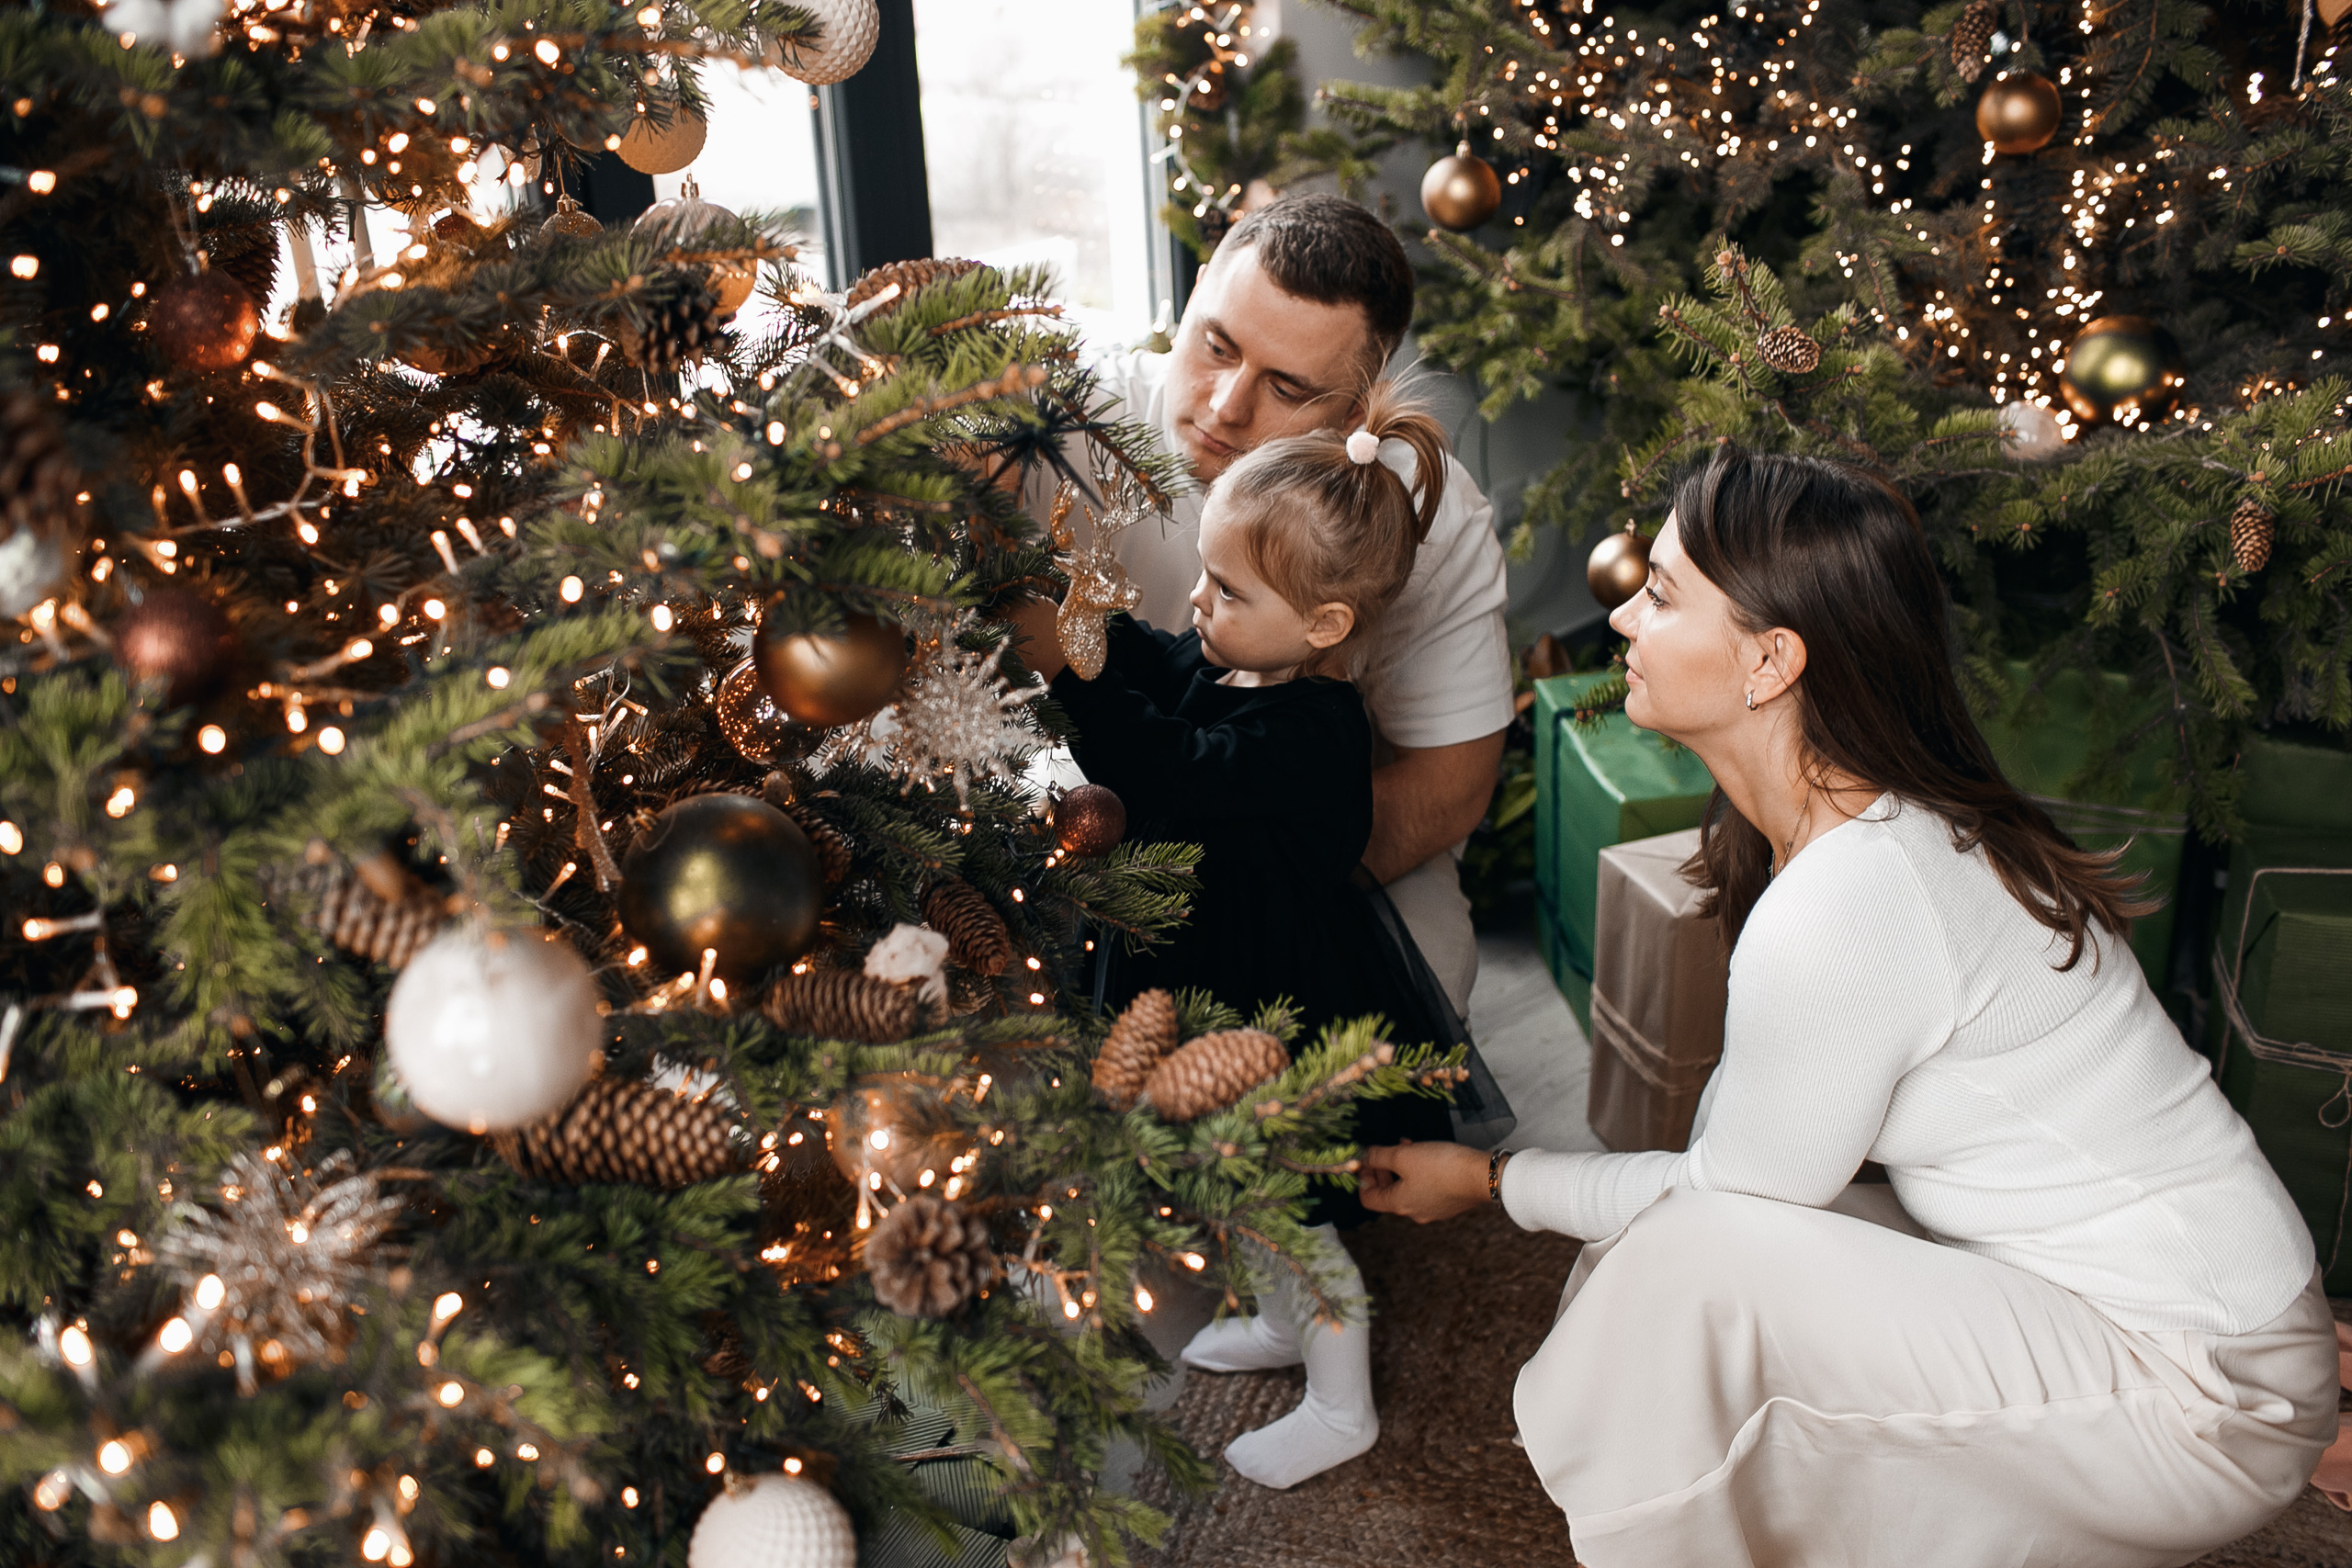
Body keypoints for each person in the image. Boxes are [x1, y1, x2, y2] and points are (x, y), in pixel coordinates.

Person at [1354, 445, 2339, 1567]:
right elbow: (1747, 1167)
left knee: (1687, 1263)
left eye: (1660, 595)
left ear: (1769, 661)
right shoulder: (1873, 836)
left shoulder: (1853, 897)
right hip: (2162, 1320)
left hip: (2210, 1396)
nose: (1620, 618)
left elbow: (1721, 1206)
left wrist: (1492, 1179)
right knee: (1661, 1252)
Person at [1010, 385, 1457, 1493]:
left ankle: (1342, 1405)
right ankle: (1277, 1321)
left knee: (1287, 1206)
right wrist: (1083, 625)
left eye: (1227, 590)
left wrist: (1068, 674)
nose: (1198, 604)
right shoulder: (1237, 654)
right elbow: (1156, 662)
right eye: (1206, 576)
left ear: (1325, 626)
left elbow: (1175, 770)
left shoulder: (1316, 730)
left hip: (1274, 1003)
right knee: (1228, 1189)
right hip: (1205, 975)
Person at [1072, 193, 1512, 1021]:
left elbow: (1450, 784)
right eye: (1217, 345)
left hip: (1275, 859)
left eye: (1286, 386)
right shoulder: (1065, 421)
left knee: (1419, 983)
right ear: (1194, 292)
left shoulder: (1422, 515)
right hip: (1070, 824)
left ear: (1354, 411)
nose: (1225, 406)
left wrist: (1244, 903)